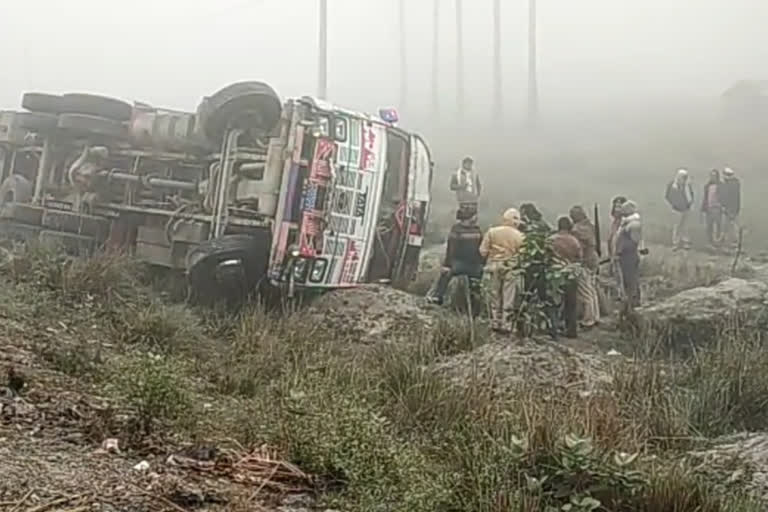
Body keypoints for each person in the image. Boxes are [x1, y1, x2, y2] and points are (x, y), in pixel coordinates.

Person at [427, 208, 485, 310]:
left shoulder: (456, 229)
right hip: (474, 266)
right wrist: (482, 263)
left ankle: (437, 297)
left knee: (445, 276)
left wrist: (447, 265)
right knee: (475, 286)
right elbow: (482, 248)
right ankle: (474, 307)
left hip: (458, 264)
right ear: (470, 218)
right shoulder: (477, 230)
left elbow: (451, 248)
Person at [479, 208, 525, 333]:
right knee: (508, 296)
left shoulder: (492, 232)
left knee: (494, 295)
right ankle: (507, 323)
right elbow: (523, 255)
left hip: (493, 265)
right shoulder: (520, 236)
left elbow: (482, 251)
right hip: (511, 268)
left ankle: (495, 322)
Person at [549, 216, 582, 338]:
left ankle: (553, 329)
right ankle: (571, 331)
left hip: (555, 274)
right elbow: (579, 257)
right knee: (571, 304)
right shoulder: (574, 241)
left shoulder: (551, 240)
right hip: (570, 274)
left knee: (554, 303)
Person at [569, 205, 600, 328]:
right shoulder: (591, 226)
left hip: (585, 261)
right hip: (594, 259)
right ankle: (595, 316)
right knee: (592, 289)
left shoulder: (577, 230)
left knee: (585, 291)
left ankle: (589, 319)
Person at [615, 200, 642, 308]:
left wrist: (621, 249)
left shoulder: (634, 225)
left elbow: (634, 242)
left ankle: (634, 302)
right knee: (627, 279)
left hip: (629, 256)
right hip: (625, 255)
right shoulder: (627, 223)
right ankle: (631, 301)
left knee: (631, 279)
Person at [665, 169, 694, 250]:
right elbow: (668, 196)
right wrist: (674, 203)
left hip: (686, 209)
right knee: (677, 227)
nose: (684, 179)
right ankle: (675, 243)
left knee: (685, 226)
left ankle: (686, 242)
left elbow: (691, 195)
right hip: (677, 209)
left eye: (685, 177)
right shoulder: (672, 185)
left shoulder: (687, 185)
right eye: (682, 177)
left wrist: (690, 204)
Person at [701, 169, 723, 246]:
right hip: (709, 209)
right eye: (711, 175)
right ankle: (710, 242)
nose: (712, 177)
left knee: (718, 226)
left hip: (717, 208)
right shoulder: (707, 186)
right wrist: (704, 207)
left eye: (714, 176)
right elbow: (705, 197)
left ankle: (717, 241)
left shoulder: (721, 185)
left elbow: (724, 197)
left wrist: (722, 205)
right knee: (709, 226)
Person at [720, 167, 741, 247]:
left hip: (731, 208)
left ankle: (734, 241)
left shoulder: (731, 185)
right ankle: (727, 239)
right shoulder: (734, 184)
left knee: (732, 224)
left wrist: (726, 207)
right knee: (729, 224)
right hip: (732, 208)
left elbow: (730, 198)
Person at [606, 195, 627, 278]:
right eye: (616, 206)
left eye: (619, 207)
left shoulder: (626, 223)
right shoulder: (614, 223)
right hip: (613, 257)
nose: (617, 209)